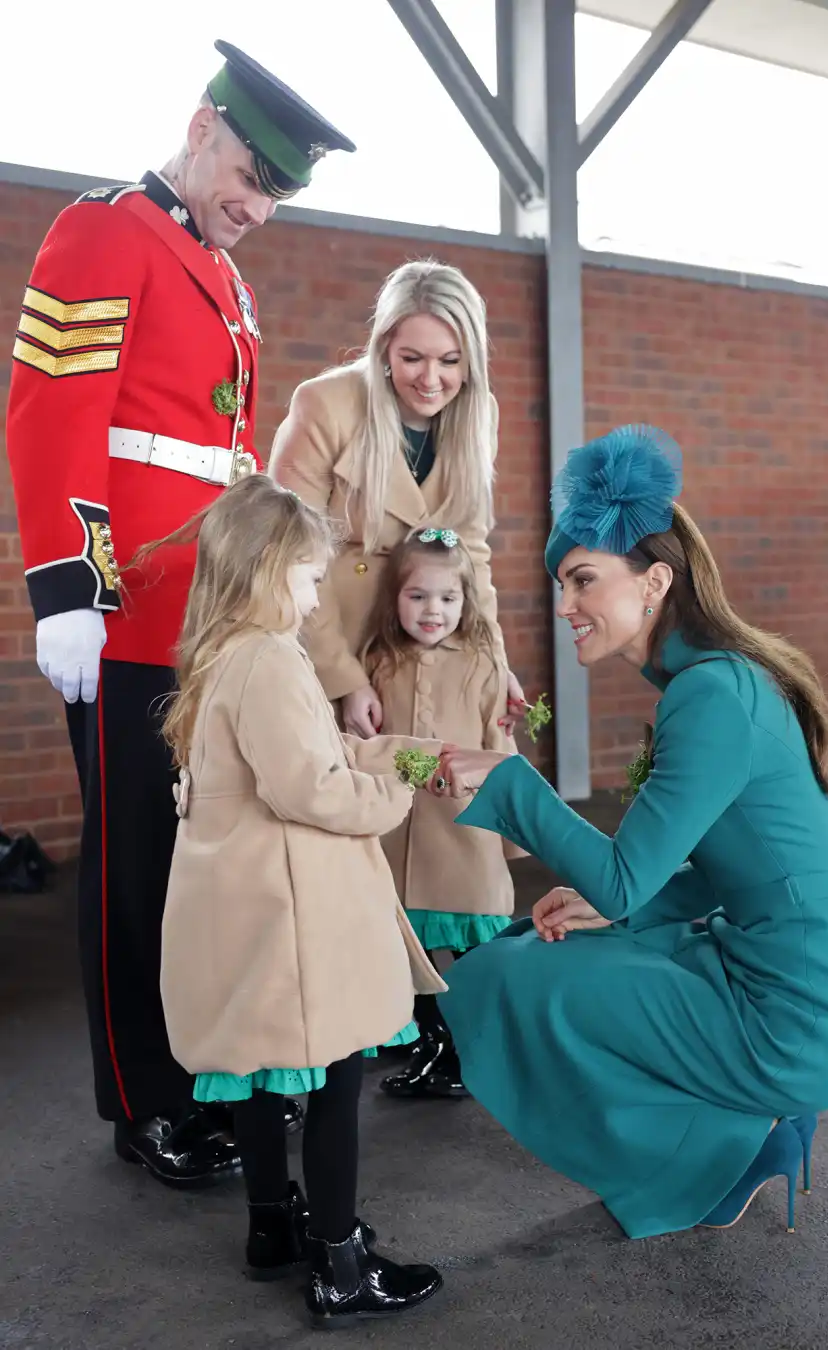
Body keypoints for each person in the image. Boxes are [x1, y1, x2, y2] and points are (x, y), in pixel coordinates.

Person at [5, 40, 355, 1186]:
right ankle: (145, 1103)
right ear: (201, 126)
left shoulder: (227, 274)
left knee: (203, 862)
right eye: (251, 175)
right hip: (128, 613)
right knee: (136, 861)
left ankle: (202, 1073)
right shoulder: (106, 231)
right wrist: (67, 586)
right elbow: (53, 408)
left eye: (278, 192)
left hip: (206, 614)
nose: (259, 206)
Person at [432, 424, 828, 1240]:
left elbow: (620, 878)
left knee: (511, 980)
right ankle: (749, 1135)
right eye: (560, 584)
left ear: (653, 583)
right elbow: (718, 873)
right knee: (553, 948)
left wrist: (512, 784)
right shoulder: (723, 679)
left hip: (798, 1018)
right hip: (815, 988)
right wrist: (617, 910)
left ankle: (733, 1139)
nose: (565, 605)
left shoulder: (711, 697)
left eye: (582, 581)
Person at [157, 475, 445, 1326]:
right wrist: (395, 793)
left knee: (260, 1073)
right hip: (295, 917)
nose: (318, 594)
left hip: (241, 905)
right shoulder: (270, 658)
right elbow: (309, 790)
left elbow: (279, 769)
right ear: (267, 568)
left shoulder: (217, 658)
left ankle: (272, 1228)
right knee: (336, 1076)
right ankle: (342, 1263)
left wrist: (386, 754)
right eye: (310, 577)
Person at [268, 258, 526, 742]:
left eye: (450, 361)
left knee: (452, 801)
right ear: (384, 346)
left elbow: (470, 553)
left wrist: (494, 664)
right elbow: (285, 555)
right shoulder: (325, 404)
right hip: (331, 634)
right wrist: (342, 680)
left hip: (432, 649)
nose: (431, 379)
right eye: (413, 358)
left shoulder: (479, 413)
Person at [359, 527, 524, 1100]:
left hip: (464, 836)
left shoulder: (483, 665)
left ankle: (489, 1047)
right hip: (400, 837)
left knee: (476, 948)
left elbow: (499, 750)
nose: (434, 611)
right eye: (418, 597)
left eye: (448, 599)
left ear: (466, 601)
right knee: (416, 950)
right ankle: (438, 1048)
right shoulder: (377, 662)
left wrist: (512, 832)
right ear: (394, 599)